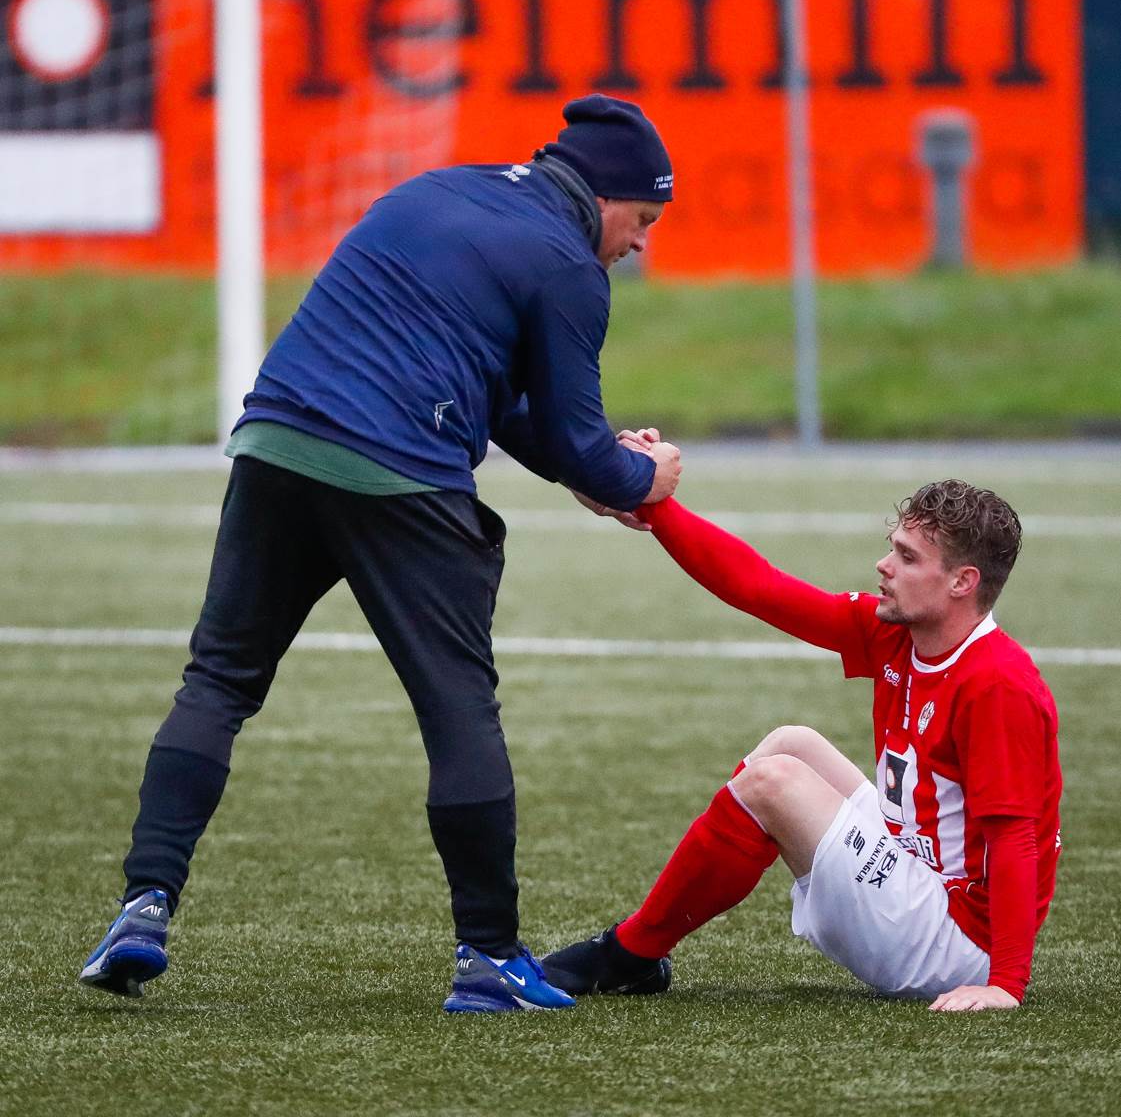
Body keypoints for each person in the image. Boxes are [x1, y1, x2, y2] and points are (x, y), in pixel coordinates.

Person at [79, 95, 682, 1015]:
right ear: (604, 197)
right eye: (642, 219)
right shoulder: (568, 266)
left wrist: (587, 470)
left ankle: (142, 906)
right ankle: (489, 958)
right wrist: (643, 475)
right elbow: (580, 441)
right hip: (399, 471)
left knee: (218, 684)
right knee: (457, 711)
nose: (638, 243)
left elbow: (497, 393)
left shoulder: (434, 191)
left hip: (275, 439)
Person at [543, 469, 1062, 1012]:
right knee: (791, 745)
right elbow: (759, 587)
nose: (884, 565)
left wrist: (1005, 984)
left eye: (907, 558)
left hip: (957, 944)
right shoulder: (897, 632)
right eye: (893, 548)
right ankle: (640, 954)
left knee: (774, 782)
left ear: (962, 582)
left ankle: (628, 951)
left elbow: (1015, 838)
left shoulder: (998, 684)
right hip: (916, 871)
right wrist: (653, 506)